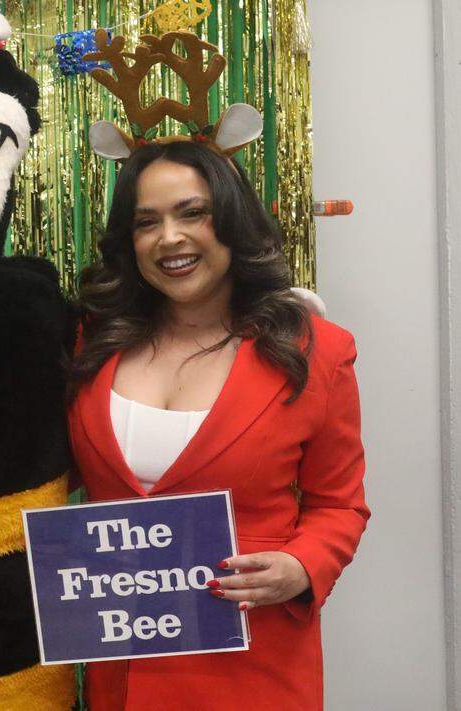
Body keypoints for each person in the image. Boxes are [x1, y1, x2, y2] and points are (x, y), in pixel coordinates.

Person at [67, 141, 369, 710]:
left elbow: (340, 504)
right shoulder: (91, 341)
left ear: (232, 220)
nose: (170, 238)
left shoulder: (316, 351)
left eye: (193, 213)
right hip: (122, 664)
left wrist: (301, 566)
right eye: (146, 222)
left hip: (252, 660)